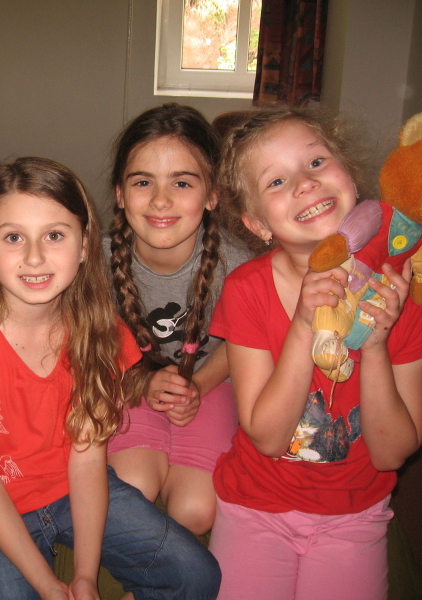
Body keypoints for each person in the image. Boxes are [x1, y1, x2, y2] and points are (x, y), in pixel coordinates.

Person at [0, 157, 221, 600]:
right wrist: (47, 584)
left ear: (84, 244)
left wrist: (84, 578)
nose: (34, 257)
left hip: (69, 489)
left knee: (196, 574)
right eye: (13, 237)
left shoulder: (100, 333)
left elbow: (88, 461)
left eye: (54, 235)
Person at [208, 105, 422, 599]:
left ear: (351, 179)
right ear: (257, 224)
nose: (305, 183)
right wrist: (302, 324)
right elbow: (267, 437)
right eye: (276, 181)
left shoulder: (411, 298)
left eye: (316, 162)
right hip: (257, 505)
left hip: (355, 513)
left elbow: (392, 453)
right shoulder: (247, 289)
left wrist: (375, 348)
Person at [105, 102, 250, 535]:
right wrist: (142, 380)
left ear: (212, 195)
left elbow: (241, 344)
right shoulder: (94, 260)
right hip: (129, 380)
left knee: (195, 511)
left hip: (211, 382)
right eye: (143, 182)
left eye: (182, 182)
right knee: (132, 489)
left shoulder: (237, 265)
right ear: (119, 194)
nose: (160, 200)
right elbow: (92, 338)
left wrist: (196, 386)